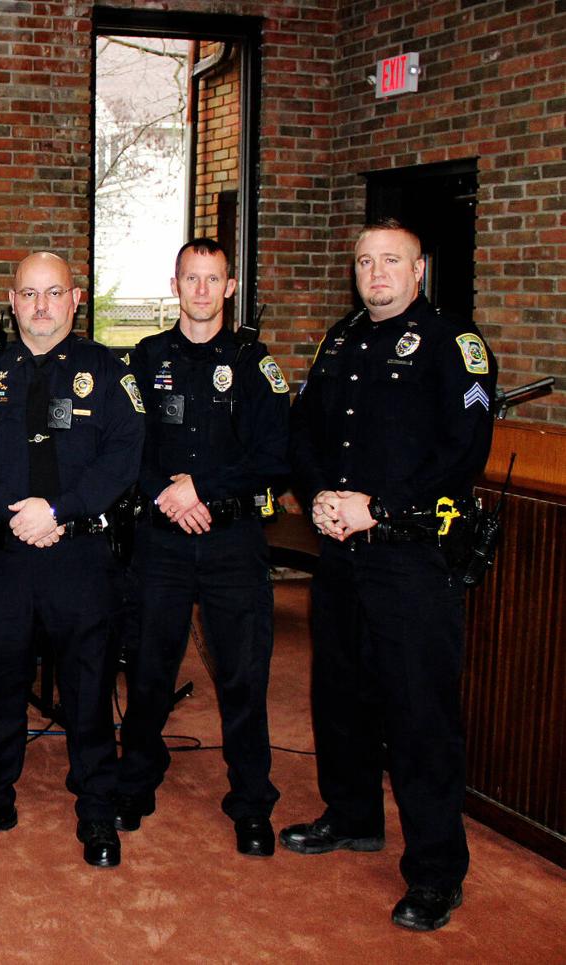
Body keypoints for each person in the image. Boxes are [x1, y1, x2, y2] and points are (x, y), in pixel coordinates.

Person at [285, 219, 496, 932]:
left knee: (419, 715)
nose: (376, 273)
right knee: (339, 693)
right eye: (366, 261)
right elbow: (306, 431)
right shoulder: (339, 340)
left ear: (419, 269)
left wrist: (377, 507)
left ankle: (437, 870)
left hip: (410, 554)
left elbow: (462, 450)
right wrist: (317, 495)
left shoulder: (450, 345)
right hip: (341, 550)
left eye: (391, 261)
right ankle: (351, 816)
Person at [0, 251, 143, 866]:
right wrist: (15, 512)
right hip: (7, 559)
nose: (41, 306)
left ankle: (96, 809)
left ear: (75, 299)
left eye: (53, 293)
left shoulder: (107, 372)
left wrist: (57, 510)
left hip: (80, 555)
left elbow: (124, 456)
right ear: (13, 301)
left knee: (88, 687)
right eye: (29, 295)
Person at [114, 239, 288, 856]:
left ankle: (251, 801)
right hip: (160, 540)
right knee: (149, 671)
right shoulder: (144, 359)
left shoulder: (254, 363)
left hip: (231, 541)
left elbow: (276, 456)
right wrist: (167, 492)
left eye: (214, 280)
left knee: (243, 676)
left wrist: (202, 489)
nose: (203, 290)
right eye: (192, 278)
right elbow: (125, 444)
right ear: (175, 283)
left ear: (230, 287)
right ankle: (136, 779)